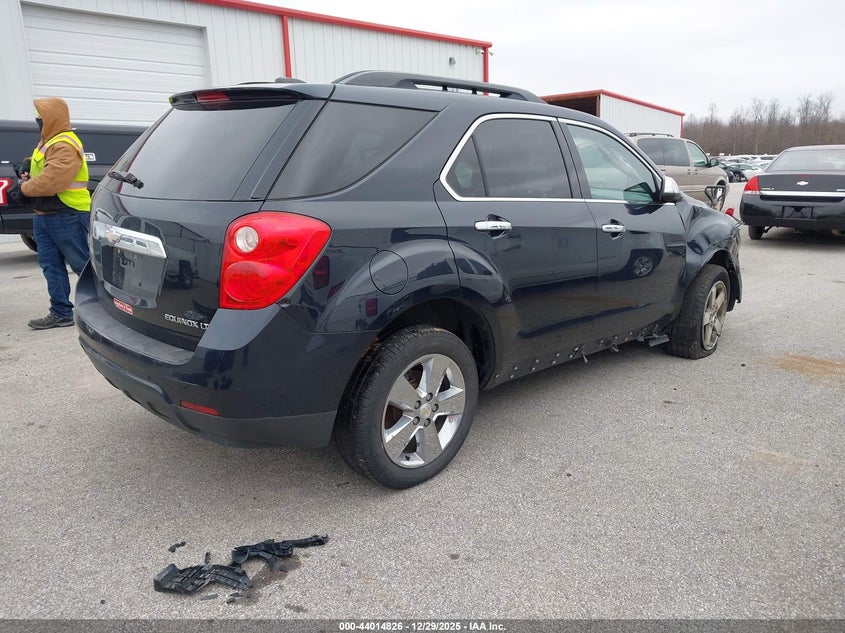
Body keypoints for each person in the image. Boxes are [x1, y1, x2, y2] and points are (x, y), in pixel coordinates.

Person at [6, 98, 92, 330]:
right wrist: (26, 166)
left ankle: (102, 311)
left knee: (82, 265)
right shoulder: (48, 141)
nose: (38, 120)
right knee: (50, 265)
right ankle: (61, 312)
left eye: (41, 115)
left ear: (52, 117)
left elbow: (53, 179)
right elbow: (42, 164)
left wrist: (22, 189)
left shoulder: (64, 143)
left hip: (68, 214)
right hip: (45, 214)